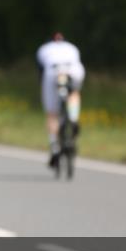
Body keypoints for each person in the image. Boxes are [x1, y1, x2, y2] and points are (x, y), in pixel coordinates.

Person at [36, 32, 85, 168]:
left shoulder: (43, 49)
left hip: (53, 71)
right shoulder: (72, 47)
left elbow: (40, 74)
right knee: (74, 93)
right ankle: (73, 117)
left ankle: (54, 147)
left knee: (52, 113)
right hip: (73, 69)